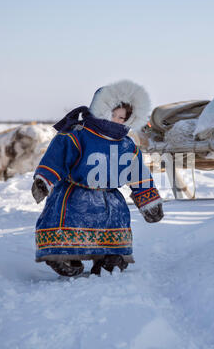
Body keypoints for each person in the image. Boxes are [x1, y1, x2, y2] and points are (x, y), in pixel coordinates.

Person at [31, 79, 164, 277]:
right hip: (75, 194)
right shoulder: (78, 135)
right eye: (114, 115)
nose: (118, 120)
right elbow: (57, 157)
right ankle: (65, 256)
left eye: (123, 118)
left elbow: (138, 174)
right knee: (69, 219)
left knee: (113, 225)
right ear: (101, 109)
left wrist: (149, 200)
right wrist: (44, 179)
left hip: (109, 199)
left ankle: (110, 258)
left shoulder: (126, 145)